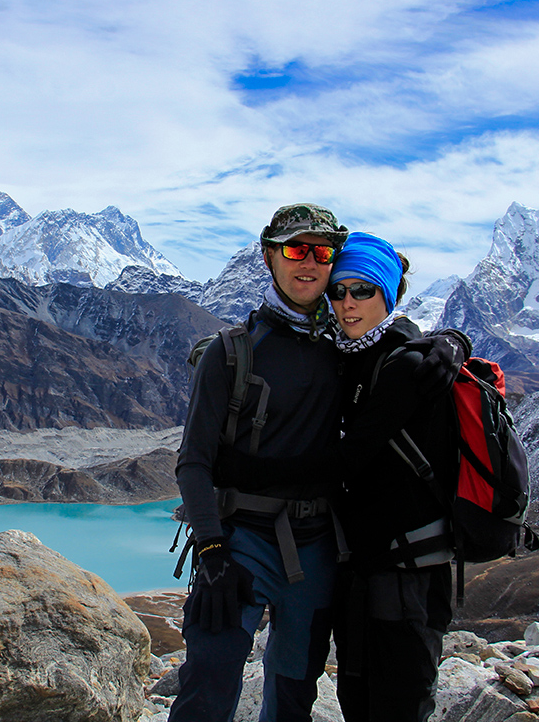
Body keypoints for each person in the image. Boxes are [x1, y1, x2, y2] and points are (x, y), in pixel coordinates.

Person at [170, 206, 466, 722]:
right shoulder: (230, 353)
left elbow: (393, 341)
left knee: (292, 697)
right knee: (207, 687)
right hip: (239, 543)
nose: (308, 262)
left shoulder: (344, 346)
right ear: (269, 256)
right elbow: (194, 462)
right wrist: (213, 548)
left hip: (317, 551)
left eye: (321, 252)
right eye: (294, 249)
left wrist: (450, 342)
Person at [328, 232, 469, 722]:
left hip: (408, 575)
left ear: (387, 294)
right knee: (358, 703)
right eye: (338, 291)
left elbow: (343, 465)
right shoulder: (351, 356)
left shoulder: (408, 363)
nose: (347, 303)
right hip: (363, 572)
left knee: (397, 706)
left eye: (362, 290)